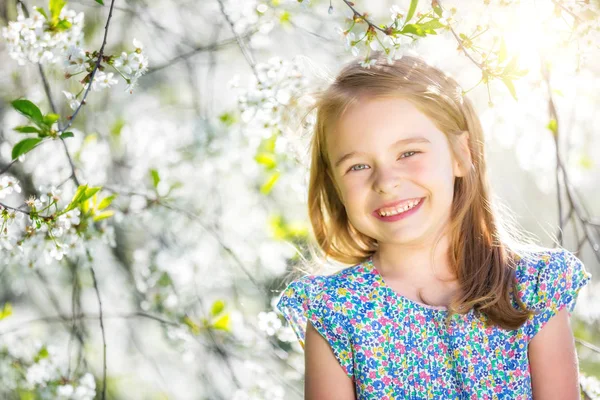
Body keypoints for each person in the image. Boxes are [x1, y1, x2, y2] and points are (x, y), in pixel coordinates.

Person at [275, 52, 593, 400]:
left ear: (461, 155)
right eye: (358, 166)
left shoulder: (532, 288)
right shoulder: (335, 311)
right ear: (336, 187)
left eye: (408, 153)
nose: (386, 182)